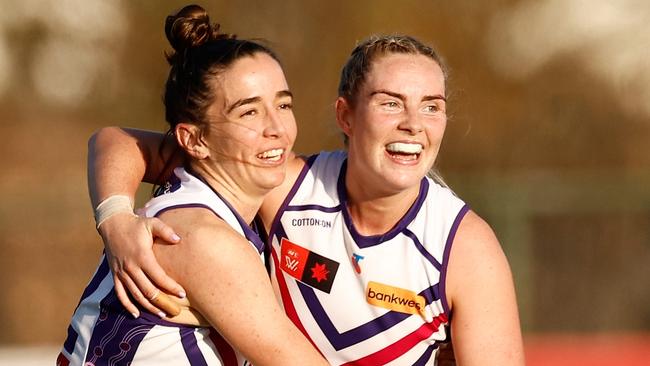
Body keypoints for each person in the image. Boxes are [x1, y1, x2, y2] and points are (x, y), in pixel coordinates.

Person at [88, 33, 525, 364]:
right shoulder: (278, 184)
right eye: (391, 103)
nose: (414, 123)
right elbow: (120, 141)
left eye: (431, 105)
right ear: (345, 115)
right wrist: (115, 221)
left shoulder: (465, 248)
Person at [58, 4, 328, 365]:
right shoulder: (204, 239)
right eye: (249, 111)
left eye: (283, 105)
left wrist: (114, 218)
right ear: (194, 140)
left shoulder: (189, 185)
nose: (277, 128)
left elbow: (112, 139)